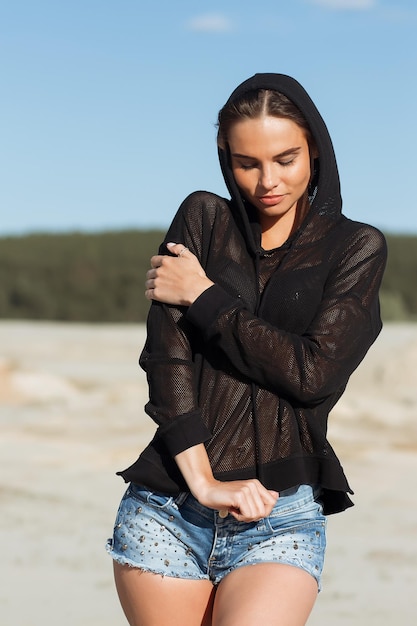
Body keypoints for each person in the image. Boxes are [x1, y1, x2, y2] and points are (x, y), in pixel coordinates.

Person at [106, 73, 387, 626]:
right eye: (247, 163)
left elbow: (313, 374)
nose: (267, 182)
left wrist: (204, 297)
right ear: (225, 158)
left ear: (317, 151)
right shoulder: (203, 218)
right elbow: (167, 358)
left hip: (279, 517)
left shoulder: (356, 248)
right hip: (168, 505)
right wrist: (204, 481)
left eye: (286, 159)